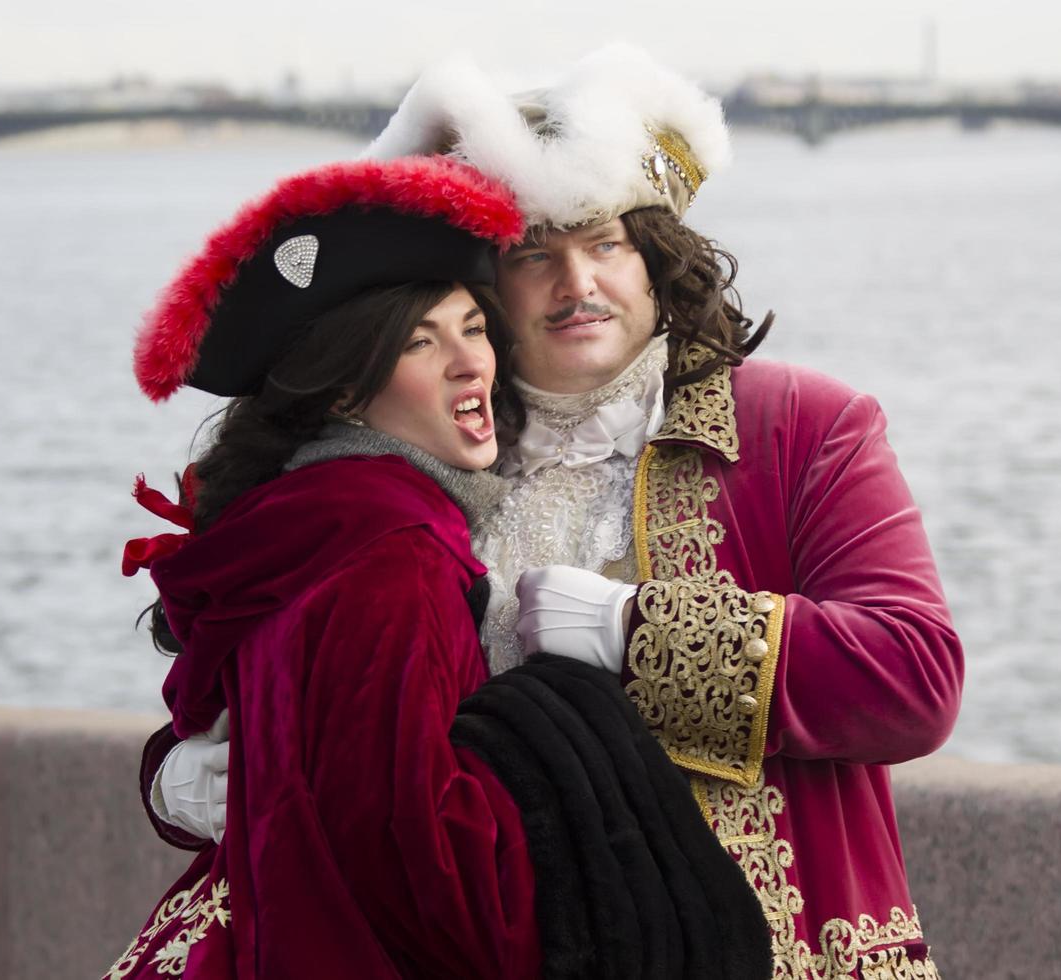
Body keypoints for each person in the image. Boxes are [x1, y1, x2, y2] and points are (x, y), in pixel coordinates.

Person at [156, 45, 964, 978]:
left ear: (656, 259)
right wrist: (177, 778)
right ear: (478, 290)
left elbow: (915, 675)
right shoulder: (416, 464)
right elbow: (312, 687)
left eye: (605, 243)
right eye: (533, 254)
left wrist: (633, 631)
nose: (577, 283)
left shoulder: (800, 425)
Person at [108, 154, 769, 979]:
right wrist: (568, 738)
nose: (471, 364)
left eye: (473, 327)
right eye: (422, 343)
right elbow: (420, 859)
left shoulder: (301, 526)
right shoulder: (393, 555)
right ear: (346, 392)